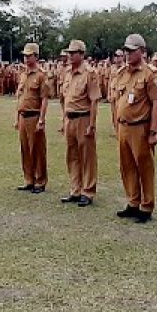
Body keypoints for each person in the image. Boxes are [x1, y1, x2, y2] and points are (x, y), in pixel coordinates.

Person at [114, 34, 157, 223]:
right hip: (124, 126)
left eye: (131, 51)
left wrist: (154, 131)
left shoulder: (149, 74)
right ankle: (133, 202)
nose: (127, 54)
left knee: (144, 167)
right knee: (127, 167)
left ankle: (146, 205)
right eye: (126, 50)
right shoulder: (122, 73)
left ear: (142, 52)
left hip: (140, 127)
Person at [60, 40, 99, 207]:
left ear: (82, 54)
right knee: (72, 156)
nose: (69, 56)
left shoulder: (90, 73)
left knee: (87, 157)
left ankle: (87, 191)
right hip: (70, 119)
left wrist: (92, 124)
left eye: (73, 53)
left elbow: (94, 101)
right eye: (68, 53)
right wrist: (64, 120)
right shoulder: (67, 73)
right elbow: (64, 98)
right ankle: (75, 190)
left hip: (83, 118)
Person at [14, 42, 49, 193]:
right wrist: (16, 118)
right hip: (23, 115)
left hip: (34, 116)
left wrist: (41, 119)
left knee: (37, 150)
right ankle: (29, 179)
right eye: (25, 56)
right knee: (25, 149)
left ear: (36, 56)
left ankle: (40, 181)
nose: (26, 59)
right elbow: (20, 97)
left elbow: (45, 99)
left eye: (29, 56)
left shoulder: (41, 75)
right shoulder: (23, 74)